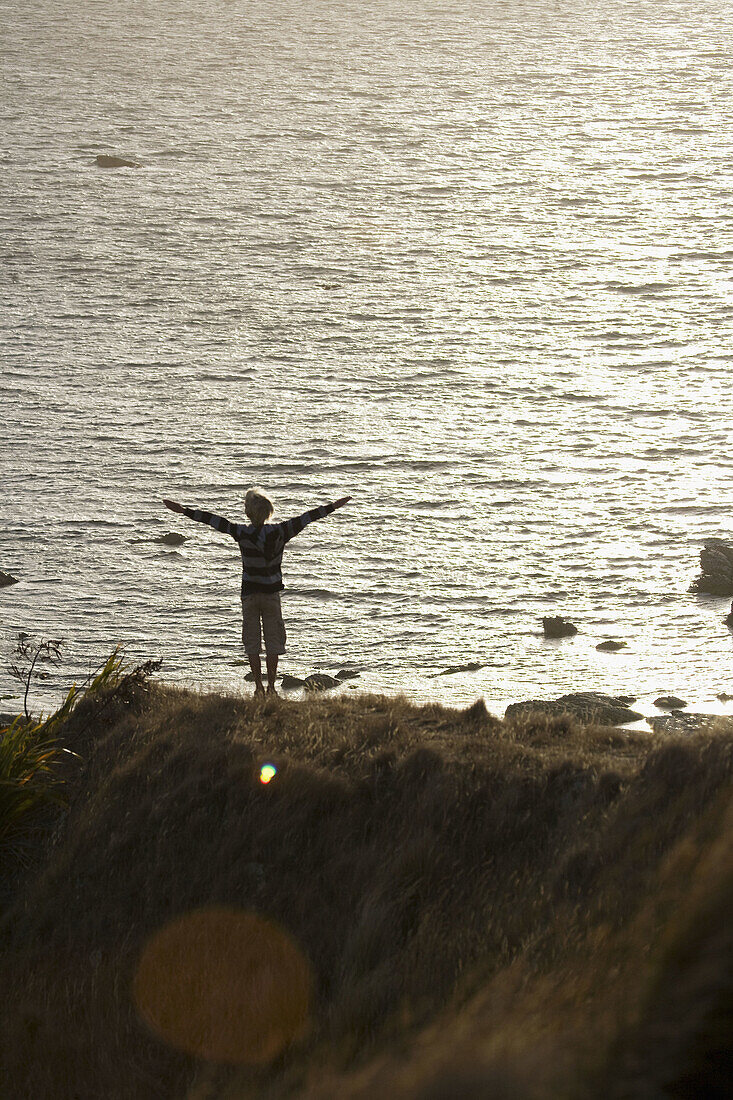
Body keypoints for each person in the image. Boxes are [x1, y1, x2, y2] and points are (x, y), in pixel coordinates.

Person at [163, 489, 351, 697]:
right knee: (273, 643)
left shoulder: (242, 532)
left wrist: (184, 511)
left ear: (248, 513)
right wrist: (333, 506)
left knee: (252, 643)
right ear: (268, 512)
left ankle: (259, 689)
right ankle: (271, 687)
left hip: (250, 596)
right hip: (271, 596)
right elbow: (308, 517)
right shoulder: (281, 531)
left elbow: (213, 520)